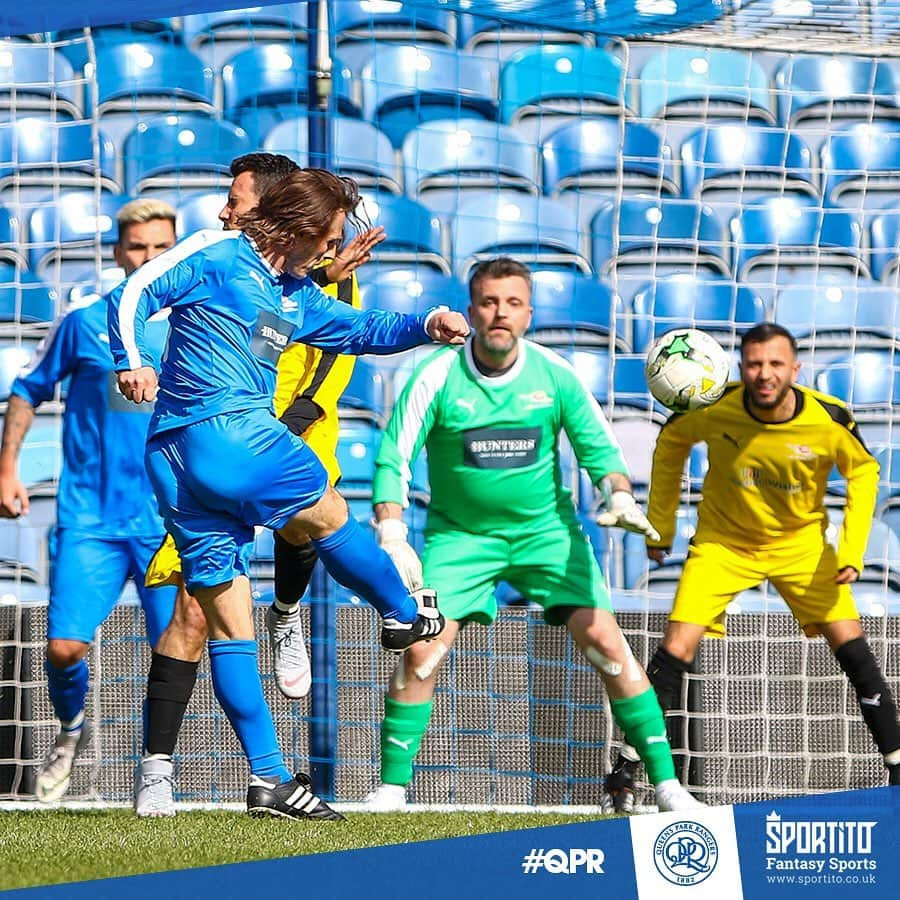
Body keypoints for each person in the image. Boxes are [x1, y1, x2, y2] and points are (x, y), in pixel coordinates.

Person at [107, 169, 469, 820]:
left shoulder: (293, 295)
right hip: (231, 433)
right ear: (301, 229)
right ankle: (399, 612)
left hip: (173, 456)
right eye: (327, 238)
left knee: (228, 622)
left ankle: (269, 779)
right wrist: (130, 358)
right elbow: (135, 289)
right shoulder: (216, 253)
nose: (332, 251)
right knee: (328, 508)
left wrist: (428, 324)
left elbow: (362, 330)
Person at [364, 256, 701, 813]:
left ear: (529, 313)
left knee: (611, 650)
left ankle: (667, 786)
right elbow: (392, 456)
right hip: (461, 539)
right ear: (472, 310)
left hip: (549, 536)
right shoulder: (435, 375)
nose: (501, 313)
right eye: (490, 302)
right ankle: (392, 789)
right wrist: (392, 527)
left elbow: (599, 449)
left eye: (513, 303)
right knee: (421, 653)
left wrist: (619, 494)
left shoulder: (554, 374)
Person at [136, 154, 385, 817]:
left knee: (310, 531)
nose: (224, 210)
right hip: (221, 440)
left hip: (279, 438)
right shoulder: (226, 265)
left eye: (237, 200)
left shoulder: (316, 283)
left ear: (280, 211)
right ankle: (160, 773)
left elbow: (332, 358)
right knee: (196, 611)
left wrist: (275, 432)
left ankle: (290, 616)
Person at [601, 322, 900, 813]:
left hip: (801, 548)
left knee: (856, 655)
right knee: (673, 653)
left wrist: (850, 552)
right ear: (740, 367)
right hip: (724, 544)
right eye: (755, 364)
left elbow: (864, 471)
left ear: (794, 369)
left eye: (776, 364)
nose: (765, 374)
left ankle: (897, 772)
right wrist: (661, 525)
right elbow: (672, 441)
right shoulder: (717, 404)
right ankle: (627, 770)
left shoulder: (828, 419)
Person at [0, 199, 179, 802]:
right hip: (92, 518)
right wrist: (7, 469)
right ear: (116, 252)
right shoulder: (83, 321)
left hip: (169, 523)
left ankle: (155, 777)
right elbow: (27, 390)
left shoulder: (200, 326)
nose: (148, 258)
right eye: (137, 247)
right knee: (64, 646)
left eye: (160, 247)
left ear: (175, 250)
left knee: (173, 657)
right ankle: (71, 729)